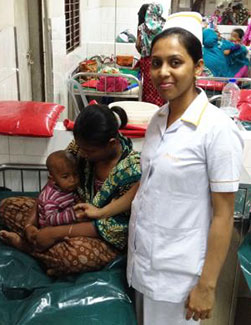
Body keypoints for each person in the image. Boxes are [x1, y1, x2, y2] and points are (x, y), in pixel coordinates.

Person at [80, 12, 244, 325]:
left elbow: (224, 216)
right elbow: (148, 186)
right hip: (144, 265)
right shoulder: (157, 120)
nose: (163, 72)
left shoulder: (217, 129)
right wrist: (99, 212)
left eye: (175, 62)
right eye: (156, 63)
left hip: (180, 276)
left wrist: (207, 286)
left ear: (197, 67)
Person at [0, 104, 141, 276]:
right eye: (80, 147)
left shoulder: (132, 170)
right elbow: (56, 180)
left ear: (112, 143)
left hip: (101, 237)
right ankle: (44, 251)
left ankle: (26, 247)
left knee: (75, 256)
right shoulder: (79, 148)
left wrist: (56, 233)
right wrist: (31, 224)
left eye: (89, 151)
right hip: (62, 216)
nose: (82, 153)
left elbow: (118, 227)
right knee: (8, 206)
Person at [0, 150, 84, 251]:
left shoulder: (67, 188)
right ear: (52, 179)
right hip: (50, 228)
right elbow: (51, 219)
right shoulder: (51, 198)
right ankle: (22, 244)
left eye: (75, 174)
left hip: (67, 224)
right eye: (65, 177)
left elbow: (74, 198)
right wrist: (73, 215)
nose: (73, 180)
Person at [135, 3, 166, 106]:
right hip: (162, 60)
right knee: (161, 85)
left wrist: (145, 51)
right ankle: (161, 109)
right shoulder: (164, 25)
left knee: (148, 87)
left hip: (147, 61)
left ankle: (148, 109)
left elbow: (138, 45)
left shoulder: (142, 27)